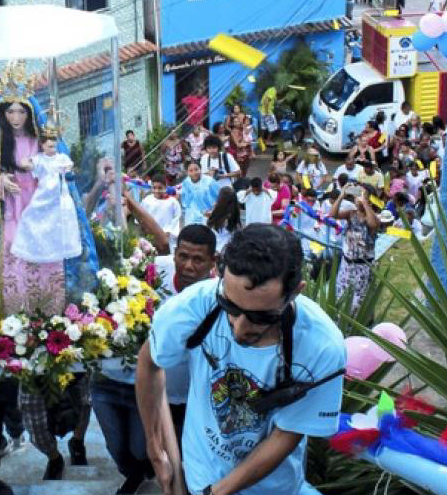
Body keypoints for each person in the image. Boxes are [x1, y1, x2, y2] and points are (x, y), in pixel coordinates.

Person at [136, 224, 346, 495]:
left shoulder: (321, 346)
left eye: (261, 317)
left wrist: (219, 492)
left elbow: (286, 434)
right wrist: (154, 446)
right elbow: (149, 362)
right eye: (230, 307)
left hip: (274, 489)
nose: (240, 327)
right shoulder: (193, 307)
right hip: (201, 477)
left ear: (295, 292)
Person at [90, 219, 217, 495]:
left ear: (212, 262)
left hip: (192, 398)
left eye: (198, 259)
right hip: (152, 392)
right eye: (183, 256)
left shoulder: (218, 295)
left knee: (183, 463)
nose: (188, 266)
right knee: (139, 448)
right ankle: (138, 476)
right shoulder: (149, 273)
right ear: (174, 254)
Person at [0, 98, 97, 317]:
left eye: (21, 113)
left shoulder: (40, 142)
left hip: (41, 204)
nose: (16, 118)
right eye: (10, 112)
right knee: (12, 252)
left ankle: (54, 312)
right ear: (3, 115)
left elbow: (58, 169)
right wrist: (1, 180)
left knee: (49, 254)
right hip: (13, 208)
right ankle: (16, 315)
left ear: (30, 115)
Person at [11, 134, 81, 263]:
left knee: (62, 222)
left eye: (54, 143)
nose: (52, 146)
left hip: (60, 195)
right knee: (30, 216)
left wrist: (67, 170)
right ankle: (36, 248)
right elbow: (28, 165)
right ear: (42, 145)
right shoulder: (39, 159)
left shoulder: (62, 158)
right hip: (43, 195)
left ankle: (61, 248)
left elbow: (69, 167)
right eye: (48, 144)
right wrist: (25, 162)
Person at [331, 191, 381, 310]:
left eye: (362, 197)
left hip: (363, 266)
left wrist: (365, 204)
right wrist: (341, 195)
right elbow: (332, 215)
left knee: (358, 301)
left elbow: (372, 225)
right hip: (347, 264)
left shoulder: (374, 217)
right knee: (341, 297)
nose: (358, 199)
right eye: (357, 197)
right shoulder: (350, 214)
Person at [142, 178, 183, 248]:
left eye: (160, 188)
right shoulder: (146, 201)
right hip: (151, 237)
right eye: (154, 188)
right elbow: (141, 218)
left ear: (165, 187)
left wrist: (169, 232)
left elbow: (177, 219)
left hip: (168, 237)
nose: (157, 190)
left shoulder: (173, 202)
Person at [180, 161, 220, 226]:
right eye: (191, 170)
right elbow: (184, 201)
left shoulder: (210, 182)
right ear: (187, 172)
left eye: (196, 169)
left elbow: (219, 198)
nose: (194, 173)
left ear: (200, 169)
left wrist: (213, 211)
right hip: (190, 219)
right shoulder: (185, 182)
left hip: (207, 218)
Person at [205, 186, 242, 252]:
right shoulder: (235, 213)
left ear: (221, 199)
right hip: (230, 250)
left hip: (217, 250)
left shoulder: (219, 214)